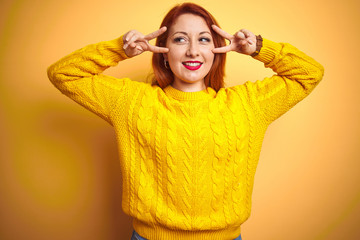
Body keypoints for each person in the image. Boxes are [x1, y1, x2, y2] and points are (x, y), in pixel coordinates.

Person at [47, 2, 324, 240]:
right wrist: (120, 49)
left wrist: (258, 48)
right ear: (163, 50)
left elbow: (310, 73)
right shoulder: (132, 102)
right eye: (180, 39)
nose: (193, 51)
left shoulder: (247, 104)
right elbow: (64, 74)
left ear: (217, 50)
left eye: (203, 39)